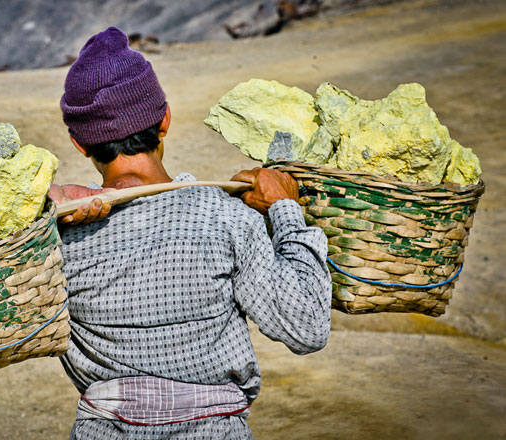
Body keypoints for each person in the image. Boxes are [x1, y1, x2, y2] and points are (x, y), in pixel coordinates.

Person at [47, 27, 331, 440]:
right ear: (164, 120)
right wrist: (285, 210)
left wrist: (44, 203)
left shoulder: (59, 236)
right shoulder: (224, 216)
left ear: (79, 143)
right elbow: (307, 327)